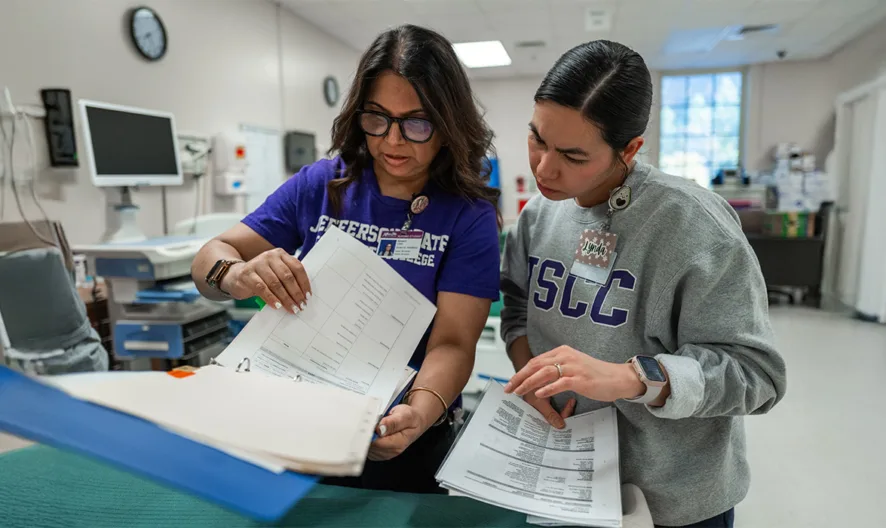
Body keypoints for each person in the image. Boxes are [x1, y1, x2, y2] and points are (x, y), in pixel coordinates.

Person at [191, 24, 501, 494]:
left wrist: (416, 413)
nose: (393, 141)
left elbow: (454, 343)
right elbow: (209, 259)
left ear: (449, 123)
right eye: (377, 118)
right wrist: (235, 275)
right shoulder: (323, 184)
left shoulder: (467, 214)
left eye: (417, 123)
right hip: (298, 419)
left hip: (397, 433)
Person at [499, 40, 787, 528]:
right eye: (537, 139)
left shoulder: (693, 226)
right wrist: (532, 378)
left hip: (671, 501)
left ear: (630, 148)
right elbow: (518, 307)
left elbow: (757, 376)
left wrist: (634, 378)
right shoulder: (541, 212)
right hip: (563, 479)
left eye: (573, 154)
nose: (545, 168)